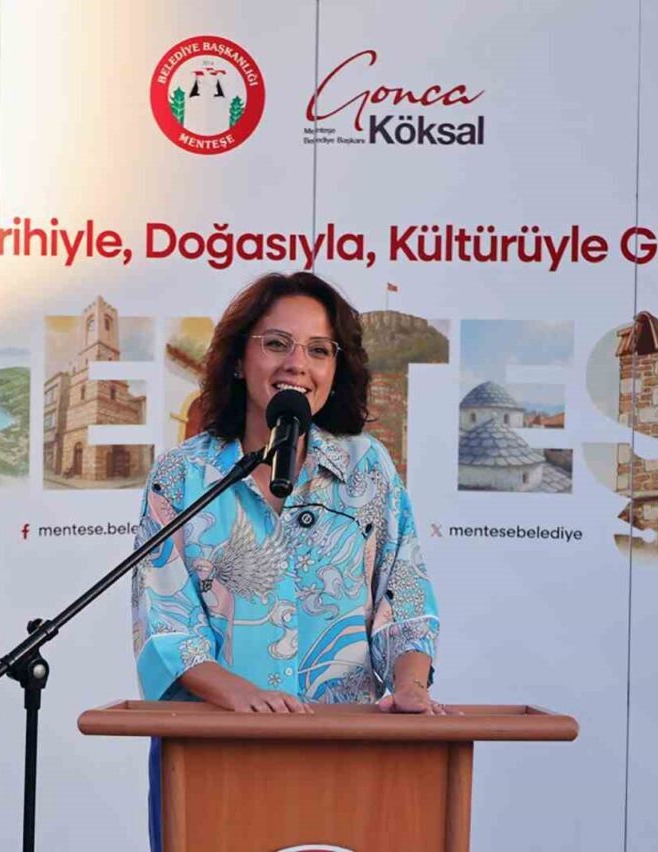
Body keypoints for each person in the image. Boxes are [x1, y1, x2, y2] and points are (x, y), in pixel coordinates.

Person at [131, 271, 444, 849]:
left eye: (318, 350)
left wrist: (410, 685)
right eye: (277, 343)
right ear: (237, 359)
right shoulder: (184, 474)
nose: (297, 363)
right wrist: (236, 693)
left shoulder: (367, 467)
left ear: (335, 369)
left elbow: (405, 597)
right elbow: (165, 623)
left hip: (347, 752)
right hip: (213, 755)